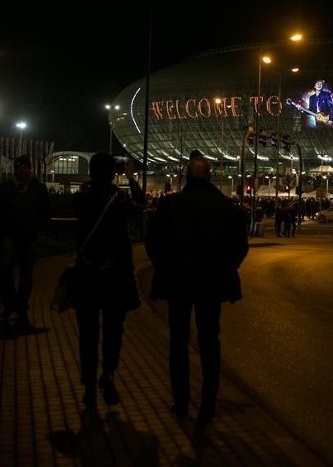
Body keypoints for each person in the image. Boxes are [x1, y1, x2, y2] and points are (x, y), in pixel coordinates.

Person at [145, 155, 249, 428]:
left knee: (178, 341)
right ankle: (208, 403)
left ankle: (181, 402)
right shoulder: (227, 207)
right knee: (210, 341)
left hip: (178, 283)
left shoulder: (170, 205)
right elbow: (240, 246)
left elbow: (152, 242)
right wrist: (226, 269)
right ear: (211, 175)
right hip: (211, 284)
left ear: (186, 176)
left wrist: (164, 267)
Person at [71, 152, 145, 413]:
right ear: (113, 172)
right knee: (114, 330)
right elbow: (141, 204)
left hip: (87, 274)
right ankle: (109, 373)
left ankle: (89, 387)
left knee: (88, 334)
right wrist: (131, 178)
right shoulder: (119, 199)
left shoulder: (82, 197)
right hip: (114, 275)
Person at [0, 155, 52, 331]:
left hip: (28, 236)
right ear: (16, 169)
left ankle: (20, 310)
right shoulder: (6, 188)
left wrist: (40, 228)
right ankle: (9, 306)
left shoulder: (37, 189)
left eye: (26, 167)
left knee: (26, 274)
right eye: (21, 167)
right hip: (9, 235)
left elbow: (45, 210)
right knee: (6, 271)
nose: (24, 170)